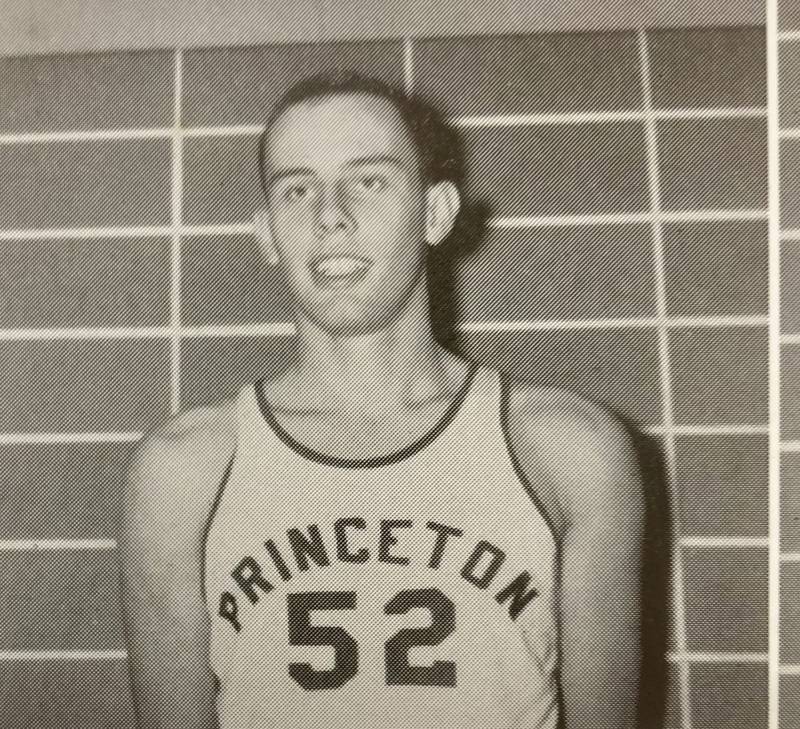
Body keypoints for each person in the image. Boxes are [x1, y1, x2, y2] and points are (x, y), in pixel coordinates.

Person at [119, 72, 644, 729]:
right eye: (297, 188)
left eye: (368, 180)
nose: (329, 214)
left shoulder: (569, 450)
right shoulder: (182, 471)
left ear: (436, 212)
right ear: (266, 232)